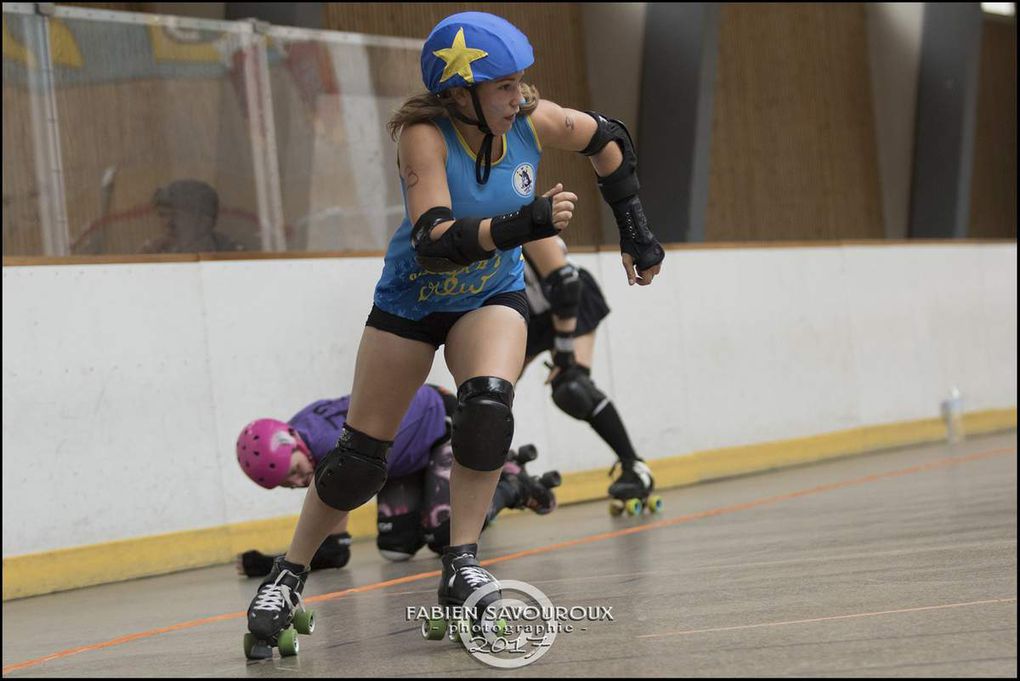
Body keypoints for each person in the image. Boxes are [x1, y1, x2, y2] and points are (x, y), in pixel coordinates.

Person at [243, 10, 663, 659]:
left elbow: (610, 140)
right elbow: (437, 240)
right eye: (500, 85)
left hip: (489, 297)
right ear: (457, 94)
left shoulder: (533, 118)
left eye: (519, 80)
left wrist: (635, 230)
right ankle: (288, 573)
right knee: (360, 460)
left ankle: (461, 560)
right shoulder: (423, 135)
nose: (517, 94)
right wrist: (527, 224)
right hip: (413, 300)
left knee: (487, 411)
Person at [234, 384, 560, 578]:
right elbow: (334, 548)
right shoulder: (298, 435)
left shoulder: (328, 446)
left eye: (294, 470)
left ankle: (511, 485)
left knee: (444, 532)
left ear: (292, 440)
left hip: (438, 423)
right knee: (396, 548)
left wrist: (271, 566)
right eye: (287, 483)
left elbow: (334, 551)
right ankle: (455, 484)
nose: (298, 480)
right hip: (402, 454)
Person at [521, 237, 657, 512]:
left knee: (572, 388)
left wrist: (563, 352)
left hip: (569, 298)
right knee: (488, 397)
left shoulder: (514, 211)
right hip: (529, 312)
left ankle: (635, 466)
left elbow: (563, 277)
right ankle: (490, 482)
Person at [140, 179, 245, 253]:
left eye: (177, 215)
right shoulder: (155, 253)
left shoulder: (233, 256)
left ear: (205, 222)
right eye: (163, 215)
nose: (168, 223)